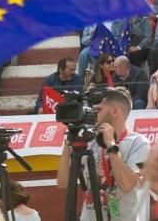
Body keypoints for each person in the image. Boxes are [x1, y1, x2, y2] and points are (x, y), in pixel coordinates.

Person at [56, 87, 149, 220]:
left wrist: (111, 145)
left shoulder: (138, 142)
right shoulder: (90, 140)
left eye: (98, 110)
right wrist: (69, 141)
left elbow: (127, 185)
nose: (93, 113)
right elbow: (63, 182)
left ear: (115, 111)